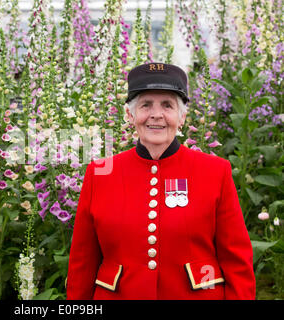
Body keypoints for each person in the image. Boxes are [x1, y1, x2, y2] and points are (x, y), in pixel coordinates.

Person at [66, 62, 256, 300]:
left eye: (167, 105)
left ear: (182, 116)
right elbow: (82, 263)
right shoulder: (100, 172)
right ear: (130, 115)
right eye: (146, 105)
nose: (156, 114)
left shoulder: (215, 171)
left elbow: (237, 261)